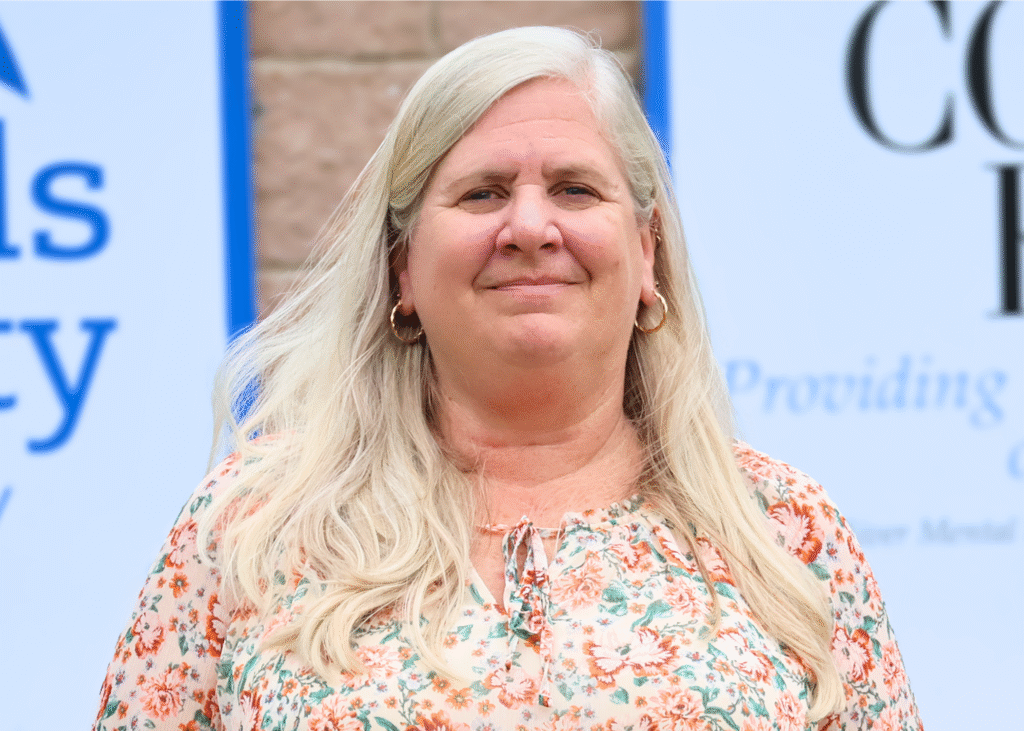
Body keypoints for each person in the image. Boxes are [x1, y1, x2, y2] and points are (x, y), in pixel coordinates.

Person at [94, 27, 922, 731]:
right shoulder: (254, 528)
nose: (530, 226)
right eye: (483, 193)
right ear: (402, 270)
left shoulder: (785, 536)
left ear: (646, 253)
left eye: (574, 188)